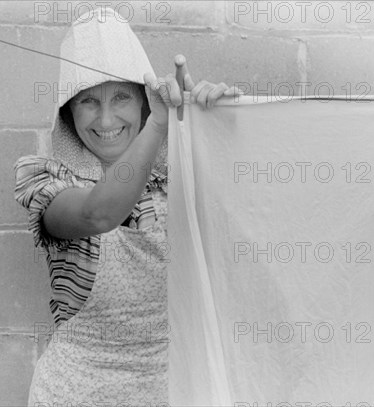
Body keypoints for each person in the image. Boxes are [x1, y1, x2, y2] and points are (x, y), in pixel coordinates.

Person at [14, 7, 241, 405]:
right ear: (68, 113)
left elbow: (248, 216)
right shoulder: (45, 179)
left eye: (121, 96)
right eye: (88, 101)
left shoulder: (180, 174)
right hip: (75, 389)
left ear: (143, 102)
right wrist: (159, 125)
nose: (106, 119)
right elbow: (98, 213)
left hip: (174, 386)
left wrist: (217, 127)